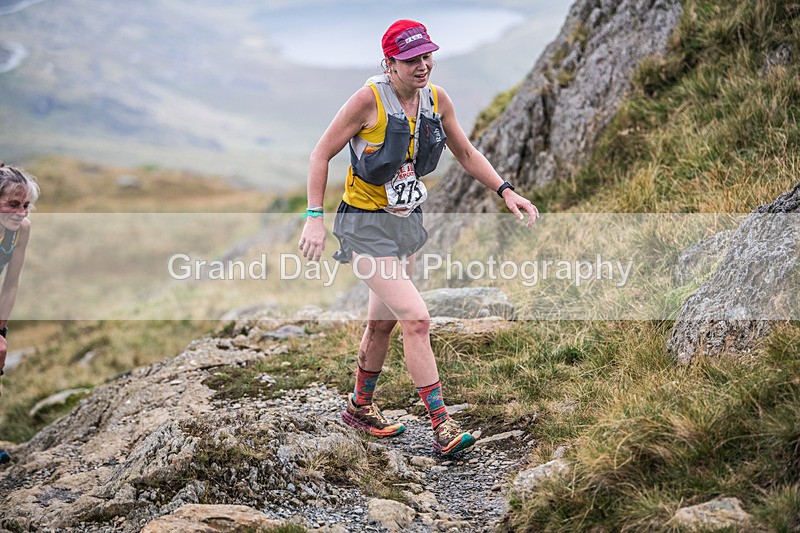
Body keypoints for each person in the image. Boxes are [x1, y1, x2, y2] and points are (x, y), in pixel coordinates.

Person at [298, 20, 538, 457]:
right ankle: (441, 425)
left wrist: (507, 191)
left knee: (383, 323)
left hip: (404, 224)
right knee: (417, 318)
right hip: (365, 226)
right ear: (389, 64)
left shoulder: (436, 98)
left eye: (428, 56)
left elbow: (464, 151)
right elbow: (321, 153)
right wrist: (313, 216)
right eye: (412, 59)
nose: (423, 65)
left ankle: (359, 408)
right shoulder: (366, 101)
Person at [0, 163, 40, 465]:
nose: (21, 212)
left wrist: (0, 329)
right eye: (12, 204)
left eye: (26, 205)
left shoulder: (20, 230)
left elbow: (11, 282)